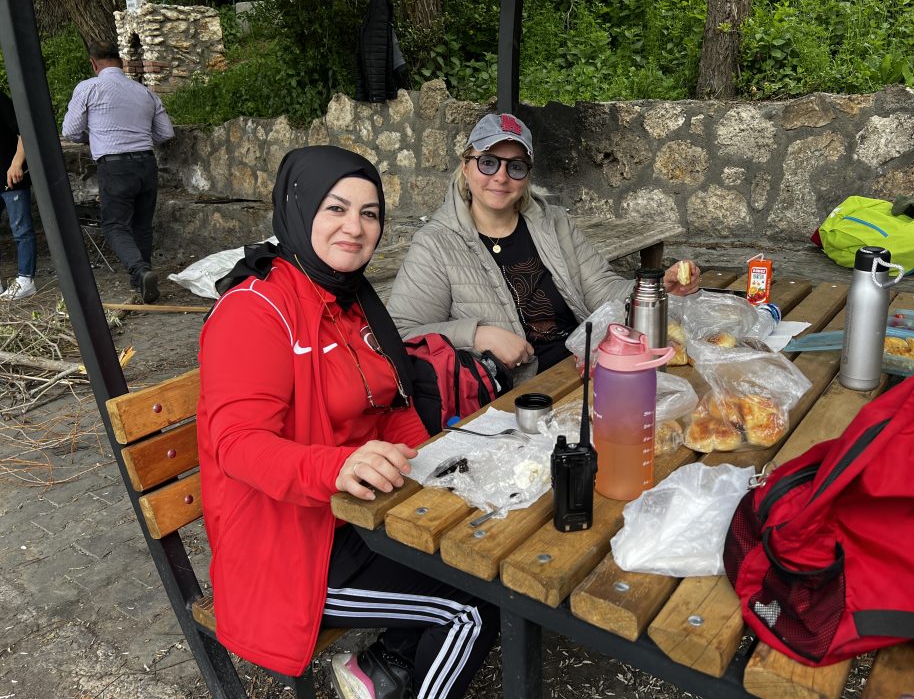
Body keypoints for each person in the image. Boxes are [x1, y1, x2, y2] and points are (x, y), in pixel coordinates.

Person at [197, 145, 498, 699]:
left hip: (359, 515)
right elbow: (236, 445)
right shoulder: (255, 309)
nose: (355, 228)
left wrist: (434, 469)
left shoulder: (350, 299)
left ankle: (386, 664)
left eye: (369, 213)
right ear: (299, 207)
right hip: (291, 549)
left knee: (485, 546)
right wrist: (337, 467)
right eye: (335, 208)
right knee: (473, 607)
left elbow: (393, 406)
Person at [388, 112, 701, 383]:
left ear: (526, 175)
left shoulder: (553, 223)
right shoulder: (436, 243)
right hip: (512, 395)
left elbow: (602, 291)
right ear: (466, 167)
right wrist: (478, 335)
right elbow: (401, 334)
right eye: (488, 163)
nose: (501, 177)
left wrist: (655, 291)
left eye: (515, 167)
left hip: (582, 371)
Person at [61, 41, 174, 303]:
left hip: (115, 166)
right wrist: (137, 138)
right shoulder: (144, 92)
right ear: (121, 62)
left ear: (93, 63)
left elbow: (70, 131)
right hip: (146, 163)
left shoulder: (88, 88)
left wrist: (93, 137)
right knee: (142, 225)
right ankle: (141, 282)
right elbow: (166, 133)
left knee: (114, 225)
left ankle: (140, 271)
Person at [0, 91, 36, 300]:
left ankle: (26, 280)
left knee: (21, 229)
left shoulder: (1, 100)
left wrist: (16, 164)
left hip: (11, 177)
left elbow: (25, 132)